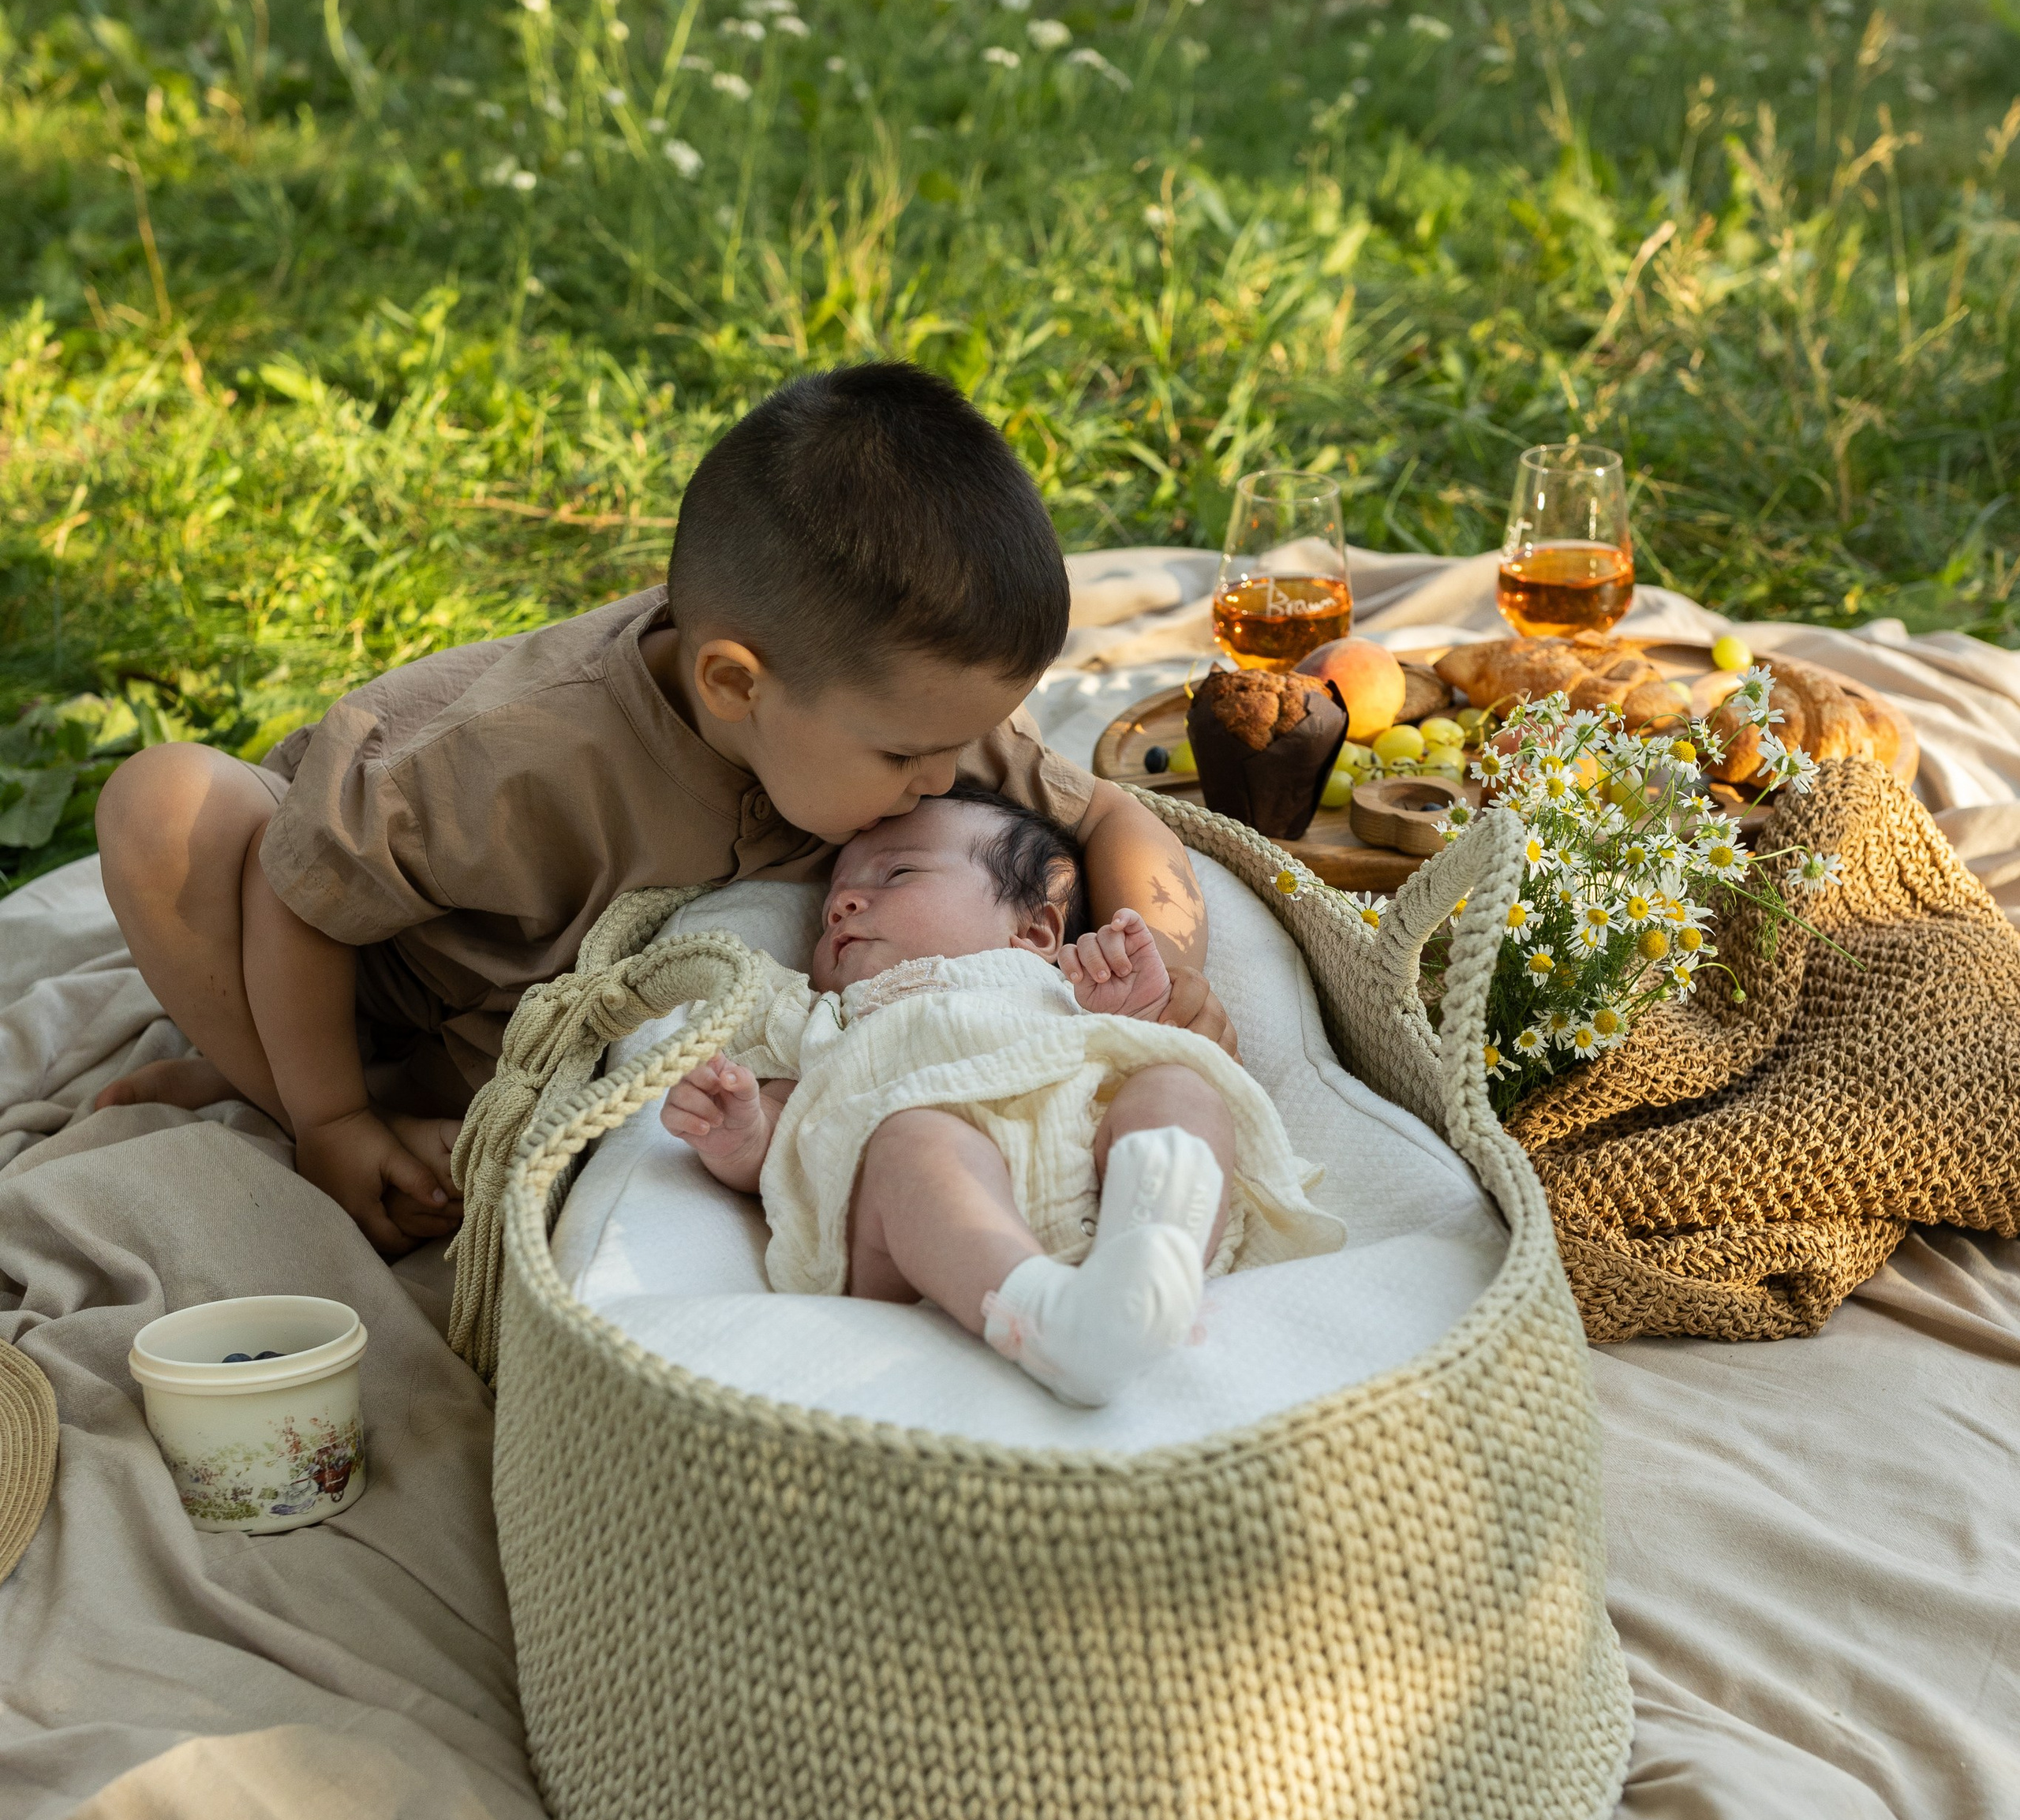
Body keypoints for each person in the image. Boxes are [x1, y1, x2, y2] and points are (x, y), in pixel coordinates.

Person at [91, 364, 1232, 1257]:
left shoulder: (892, 702)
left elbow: (1121, 824)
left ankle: (386, 1099)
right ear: (735, 685)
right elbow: (299, 894)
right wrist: (328, 1116)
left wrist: (1168, 971)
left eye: (953, 748)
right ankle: (316, 1097)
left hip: (533, 1028)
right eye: (908, 756)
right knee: (166, 803)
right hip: (372, 960)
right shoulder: (514, 758)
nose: (945, 781)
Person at [663, 783, 1341, 1408]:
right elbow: (795, 1137)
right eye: (829, 904)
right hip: (935, 1236)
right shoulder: (823, 1017)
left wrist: (1138, 1008)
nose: (842, 904)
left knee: (1176, 1082)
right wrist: (742, 1131)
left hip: (1104, 1186)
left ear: (1038, 932)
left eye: (897, 874)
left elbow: (1171, 1052)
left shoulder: (1064, 986)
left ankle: (1152, 1256)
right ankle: (1051, 1321)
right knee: (912, 1142)